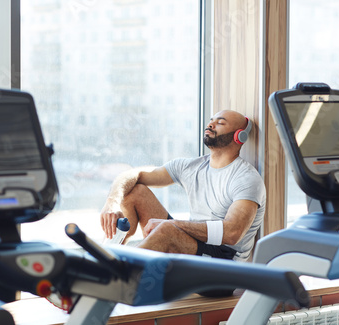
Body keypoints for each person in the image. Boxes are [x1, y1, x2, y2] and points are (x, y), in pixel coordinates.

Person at [100, 110, 266, 265]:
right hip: (194, 246)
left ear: (239, 136)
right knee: (136, 192)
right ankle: (109, 254)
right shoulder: (191, 167)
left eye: (220, 123)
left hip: (224, 264)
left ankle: (118, 272)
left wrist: (174, 225)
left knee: (167, 229)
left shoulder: (246, 178)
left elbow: (232, 233)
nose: (210, 125)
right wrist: (112, 202)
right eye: (211, 121)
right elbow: (134, 174)